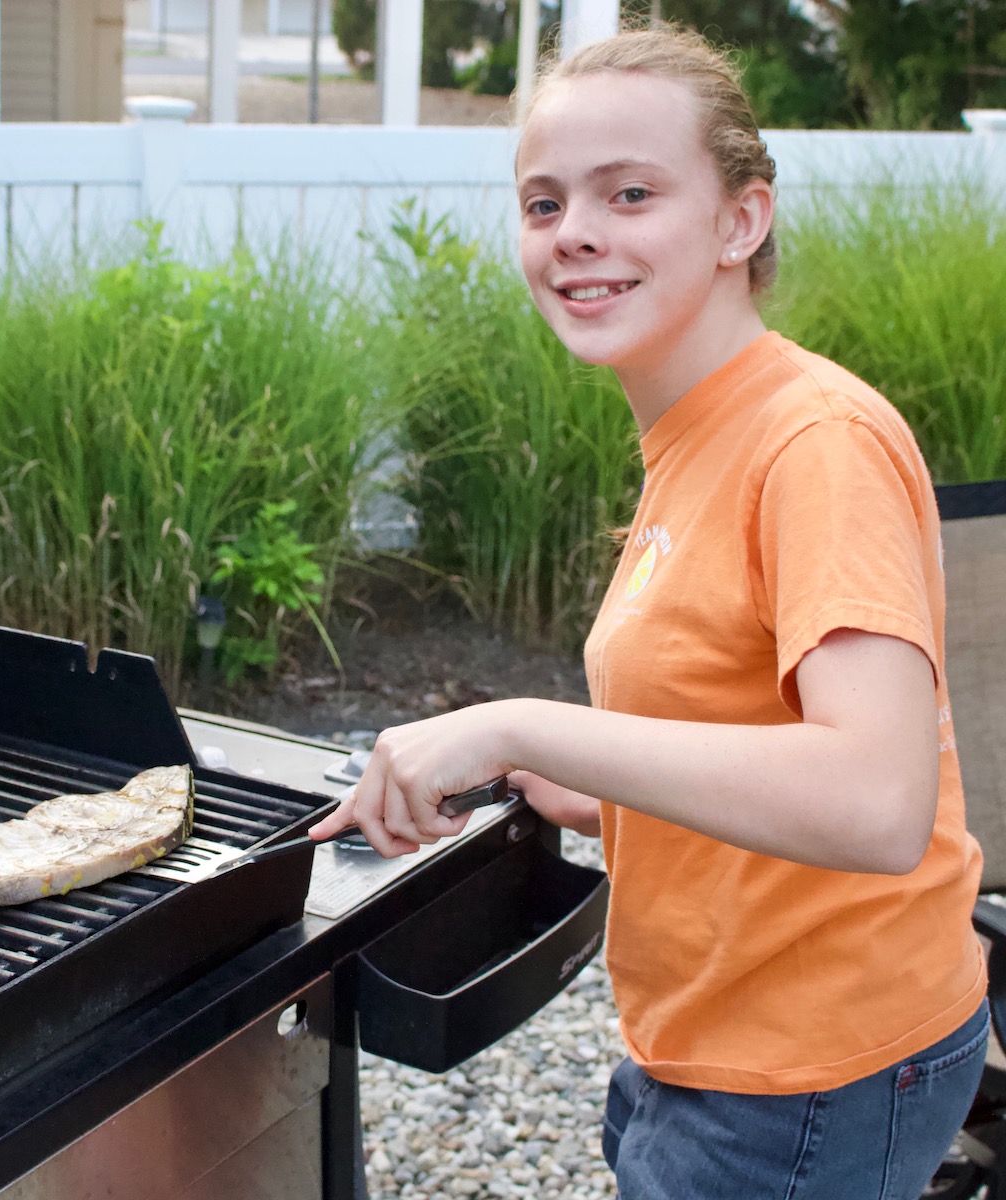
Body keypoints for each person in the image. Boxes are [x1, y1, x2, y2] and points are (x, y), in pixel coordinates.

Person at [310, 23, 988, 1199]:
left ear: (741, 221)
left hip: (810, 1070)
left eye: (630, 193)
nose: (574, 232)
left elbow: (878, 803)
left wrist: (525, 726)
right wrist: (594, 789)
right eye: (543, 201)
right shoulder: (699, 426)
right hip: (716, 1038)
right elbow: (743, 713)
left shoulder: (812, 441)